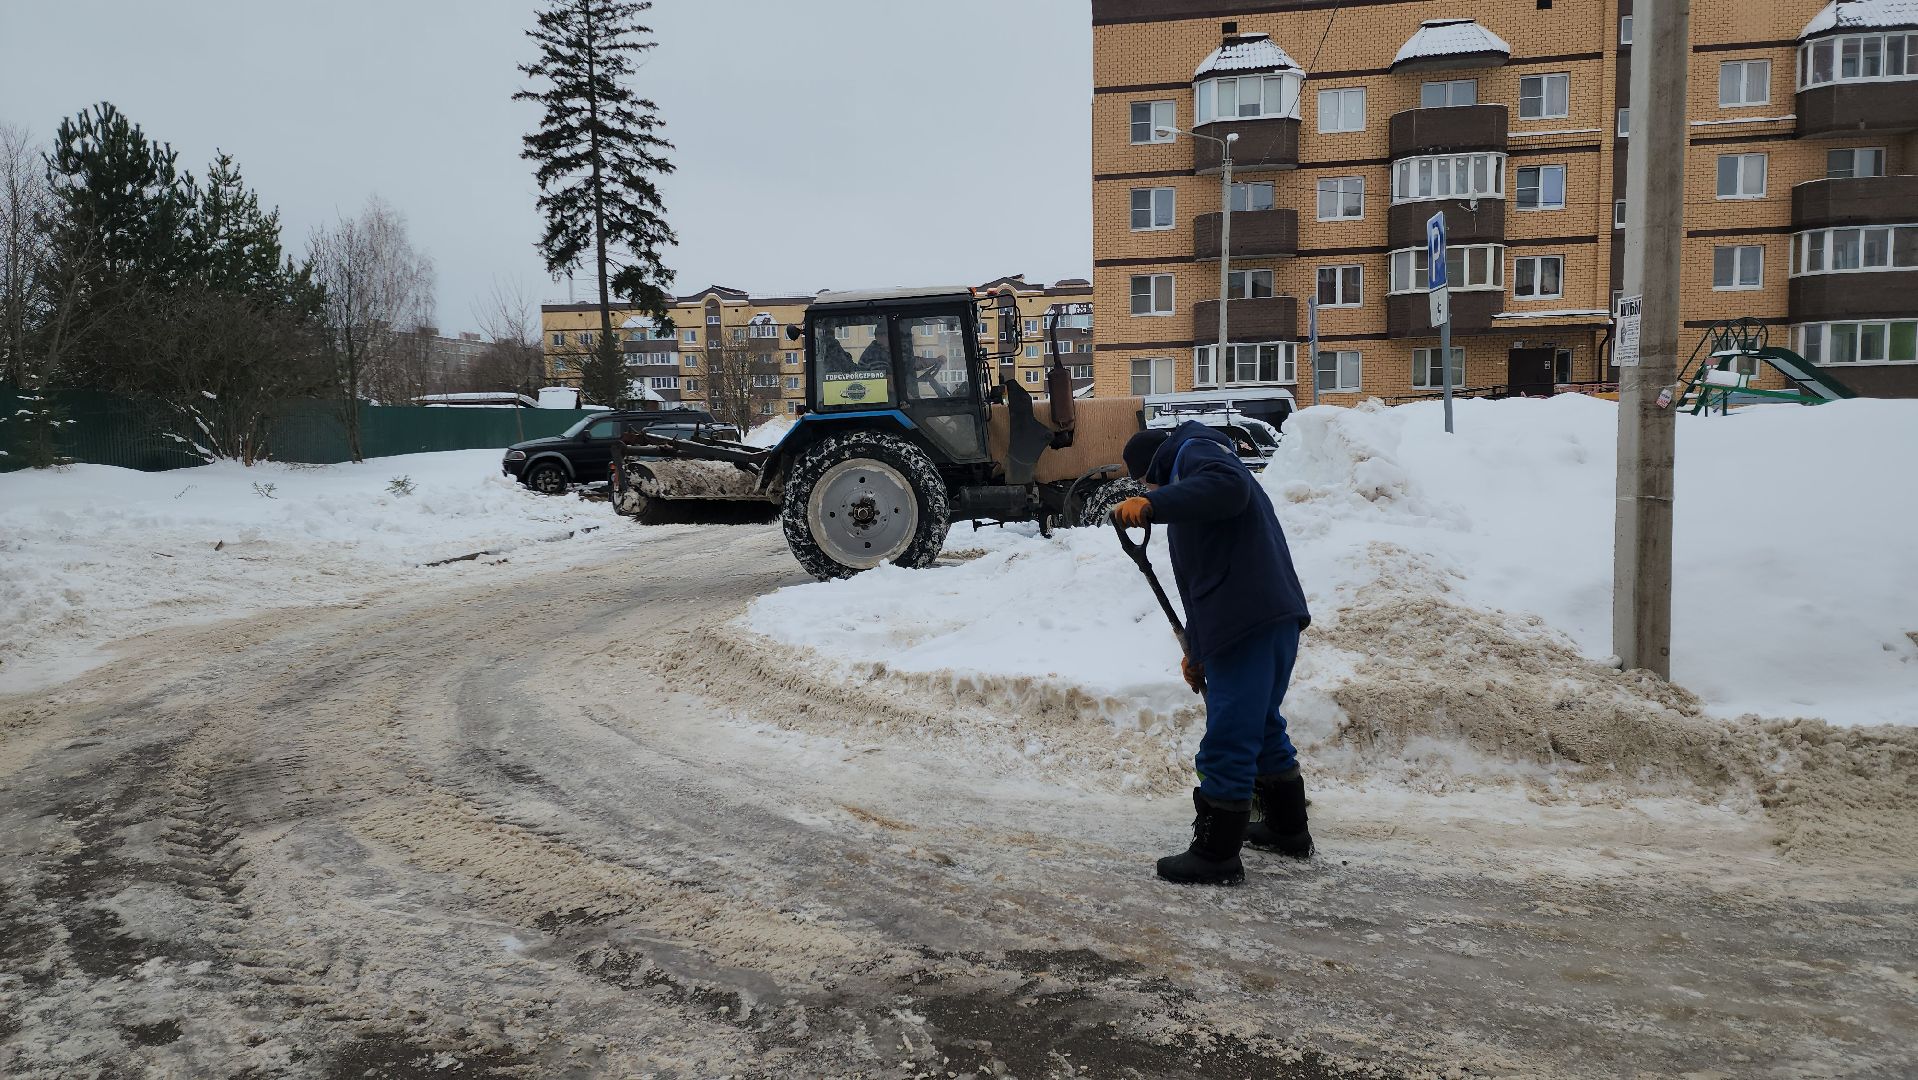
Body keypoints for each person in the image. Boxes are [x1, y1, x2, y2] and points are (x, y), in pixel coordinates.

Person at [1114, 422, 1313, 886]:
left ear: (1151, 469)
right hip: (1261, 617)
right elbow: (1203, 580)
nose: (1148, 491)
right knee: (1260, 725)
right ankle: (1288, 828)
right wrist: (1197, 652)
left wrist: (1154, 504)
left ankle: (1216, 853)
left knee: (1228, 735)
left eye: (1146, 483)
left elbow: (1228, 487)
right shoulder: (1193, 474)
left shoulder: (1194, 452)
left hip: (1248, 621)